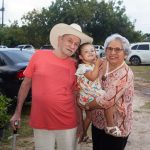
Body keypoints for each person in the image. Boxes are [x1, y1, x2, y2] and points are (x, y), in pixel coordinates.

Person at [10, 23, 93, 150]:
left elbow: (75, 96)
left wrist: (80, 123)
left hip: (68, 123)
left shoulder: (76, 66)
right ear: (60, 39)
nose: (72, 46)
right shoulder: (38, 56)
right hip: (41, 121)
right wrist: (17, 113)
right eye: (70, 40)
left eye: (76, 44)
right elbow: (25, 84)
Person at [83, 34, 134, 150]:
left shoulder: (125, 74)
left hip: (116, 126)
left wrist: (86, 104)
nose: (112, 52)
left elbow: (107, 101)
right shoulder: (101, 64)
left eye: (117, 49)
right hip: (97, 122)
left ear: (125, 54)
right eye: (109, 48)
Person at [75, 43, 121, 143]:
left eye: (92, 50)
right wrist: (97, 64)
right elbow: (92, 77)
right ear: (81, 57)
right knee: (108, 101)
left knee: (89, 117)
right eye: (86, 52)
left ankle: (83, 136)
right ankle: (110, 125)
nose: (90, 53)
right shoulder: (83, 67)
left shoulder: (91, 65)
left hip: (90, 94)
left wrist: (102, 66)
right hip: (88, 97)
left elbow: (101, 76)